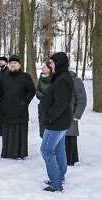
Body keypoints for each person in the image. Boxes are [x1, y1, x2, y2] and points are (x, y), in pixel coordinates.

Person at [40, 52, 74, 192]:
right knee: (59, 149)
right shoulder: (60, 77)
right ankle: (59, 176)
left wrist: (49, 117)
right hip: (61, 121)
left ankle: (56, 183)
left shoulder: (62, 79)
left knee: (46, 150)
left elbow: (60, 103)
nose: (50, 65)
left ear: (58, 63)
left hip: (57, 122)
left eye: (52, 62)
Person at [0, 54, 35, 159]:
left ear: (19, 65)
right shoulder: (4, 77)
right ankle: (7, 152)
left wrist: (25, 102)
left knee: (19, 133)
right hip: (6, 109)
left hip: (20, 110)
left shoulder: (26, 77)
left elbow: (31, 90)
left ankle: (19, 153)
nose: (13, 65)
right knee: (7, 133)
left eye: (15, 63)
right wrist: (1, 103)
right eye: (11, 63)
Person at [66, 70, 87, 166]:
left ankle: (71, 162)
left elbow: (82, 100)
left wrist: (77, 115)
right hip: (59, 118)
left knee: (70, 139)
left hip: (71, 117)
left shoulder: (76, 81)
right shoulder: (57, 80)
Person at [36, 61, 53, 138]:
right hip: (42, 106)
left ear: (49, 69)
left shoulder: (54, 79)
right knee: (42, 126)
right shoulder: (40, 78)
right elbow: (37, 91)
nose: (42, 68)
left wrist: (47, 98)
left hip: (51, 106)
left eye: (44, 67)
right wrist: (43, 97)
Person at [0, 56, 9, 134]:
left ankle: (5, 130)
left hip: (7, 95)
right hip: (0, 95)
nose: (0, 62)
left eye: (2, 61)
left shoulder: (9, 72)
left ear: (6, 63)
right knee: (0, 111)